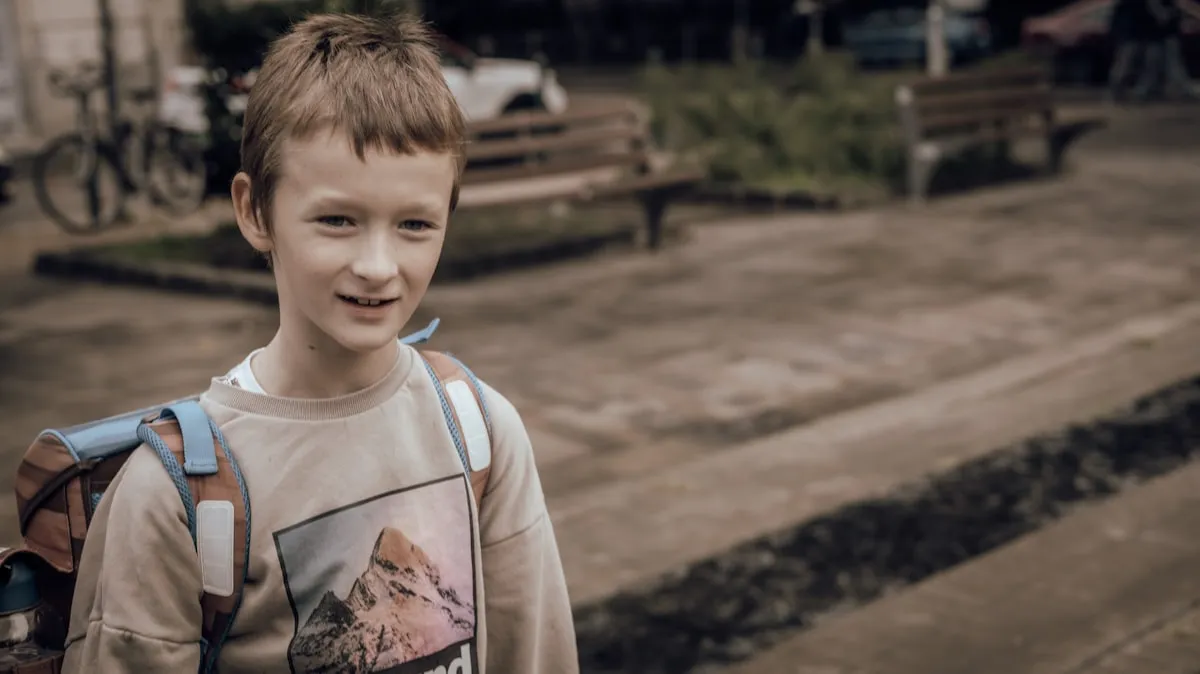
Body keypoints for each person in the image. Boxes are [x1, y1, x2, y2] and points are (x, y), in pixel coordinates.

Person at [60, 12, 579, 674]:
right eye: (337, 220)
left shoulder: (481, 433)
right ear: (254, 211)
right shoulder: (174, 498)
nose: (378, 265)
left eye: (416, 224)